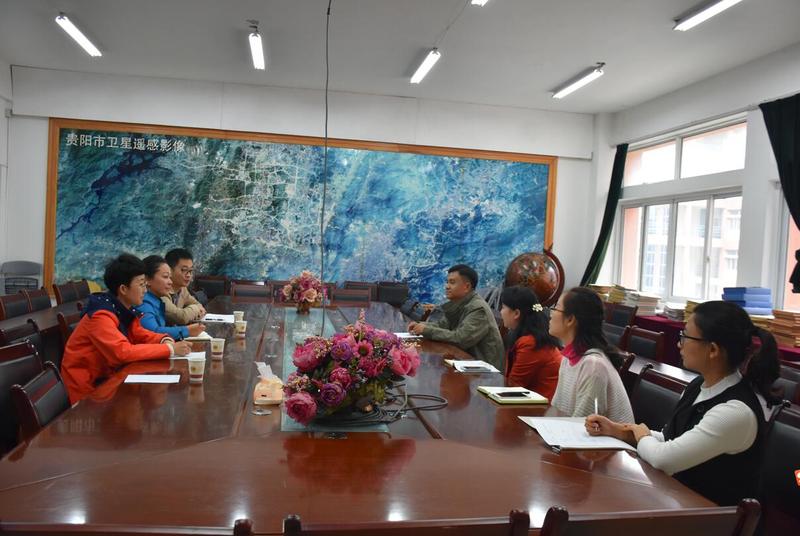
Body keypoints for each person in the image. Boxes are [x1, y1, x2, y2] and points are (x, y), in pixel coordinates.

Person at [585, 301, 780, 506]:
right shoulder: (697, 386)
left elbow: (664, 459)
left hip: (714, 517)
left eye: (685, 337)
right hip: (680, 500)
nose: (679, 344)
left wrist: (642, 435)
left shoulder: (735, 411)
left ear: (713, 349)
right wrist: (619, 431)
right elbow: (672, 439)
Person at [60, 253, 192, 403]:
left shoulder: (122, 308)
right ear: (123, 289)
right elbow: (122, 352)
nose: (145, 290)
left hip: (109, 379)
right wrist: (170, 349)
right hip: (88, 391)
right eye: (141, 285)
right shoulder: (101, 316)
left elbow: (140, 334)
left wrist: (163, 339)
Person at [548, 287, 634, 422]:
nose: (551, 314)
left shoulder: (593, 365)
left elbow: (582, 425)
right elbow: (556, 411)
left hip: (600, 436)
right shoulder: (568, 357)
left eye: (556, 308)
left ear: (570, 319)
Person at [408, 264, 504, 369]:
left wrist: (426, 330)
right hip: (463, 362)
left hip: (486, 372)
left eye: (452, 282)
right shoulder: (458, 303)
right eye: (447, 282)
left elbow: (461, 339)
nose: (447, 286)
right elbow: (442, 325)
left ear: (467, 287)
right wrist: (421, 326)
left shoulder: (478, 309)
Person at [499, 285, 562, 400]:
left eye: (503, 307)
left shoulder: (531, 343)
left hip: (538, 407)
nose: (500, 312)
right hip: (529, 401)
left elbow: (514, 386)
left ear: (516, 313)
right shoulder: (530, 336)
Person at [137, 255, 205, 340]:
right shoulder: (143, 302)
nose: (170, 282)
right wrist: (187, 330)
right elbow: (153, 332)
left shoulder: (157, 299)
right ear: (147, 280)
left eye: (170, 277)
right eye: (165, 277)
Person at [163, 248, 206, 324]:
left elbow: (198, 304)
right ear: (169, 270)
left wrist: (196, 308)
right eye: (184, 270)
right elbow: (181, 317)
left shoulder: (183, 289)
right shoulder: (161, 291)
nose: (188, 275)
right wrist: (196, 309)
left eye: (190, 271)